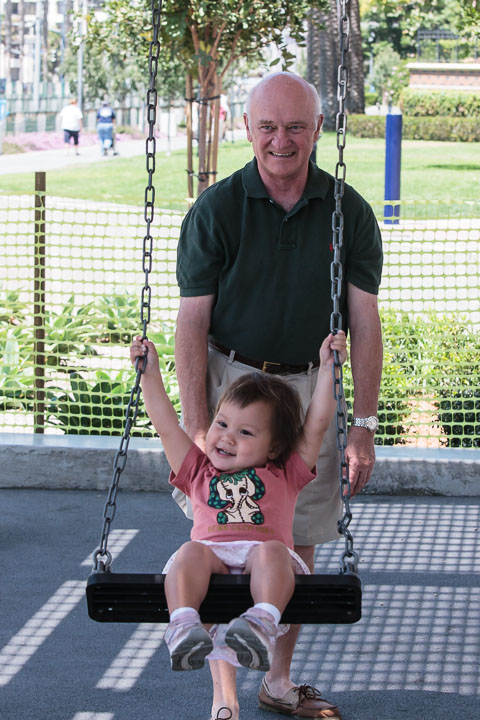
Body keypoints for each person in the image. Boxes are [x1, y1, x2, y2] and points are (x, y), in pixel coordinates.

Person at [174, 71, 383, 720]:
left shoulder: (349, 211)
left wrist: (364, 423)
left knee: (300, 533)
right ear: (247, 129)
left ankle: (277, 679)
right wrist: (198, 424)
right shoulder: (216, 209)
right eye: (267, 127)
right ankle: (224, 696)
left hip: (310, 387)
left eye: (295, 126)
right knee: (217, 534)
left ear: (318, 129)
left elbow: (365, 318)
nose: (281, 141)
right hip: (232, 384)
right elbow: (191, 322)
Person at [130, 331, 347, 691]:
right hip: (211, 561)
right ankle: (184, 624)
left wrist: (328, 370)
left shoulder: (285, 472)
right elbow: (166, 427)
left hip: (263, 561)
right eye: (222, 424)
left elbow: (316, 425)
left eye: (246, 432)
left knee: (274, 551)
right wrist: (149, 375)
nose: (227, 437)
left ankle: (260, 622)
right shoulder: (197, 470)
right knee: (189, 551)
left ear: (274, 448)